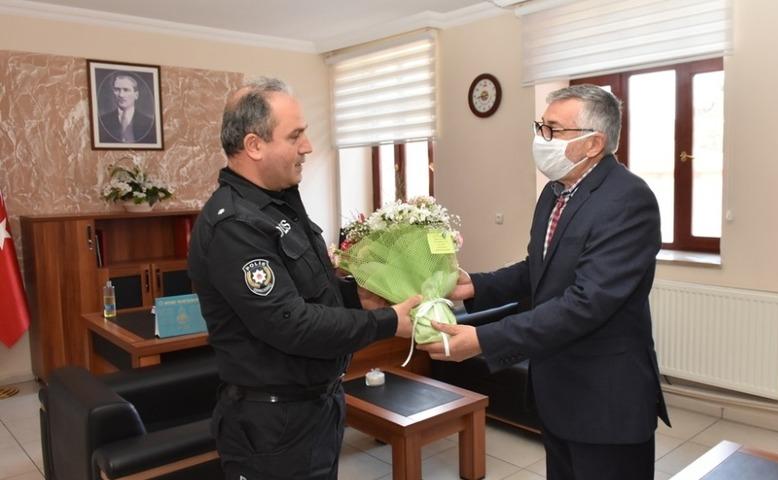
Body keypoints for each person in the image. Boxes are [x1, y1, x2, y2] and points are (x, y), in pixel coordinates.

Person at [420, 84, 671, 480]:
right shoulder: (556, 193)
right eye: (541, 127)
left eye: (554, 130)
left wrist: (484, 339)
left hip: (606, 402)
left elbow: (586, 303)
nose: (542, 139)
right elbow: (538, 268)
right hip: (558, 393)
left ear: (594, 144)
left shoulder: (628, 199)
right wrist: (475, 285)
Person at [187, 77, 420, 480]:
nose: (308, 147)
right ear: (254, 146)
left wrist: (356, 297)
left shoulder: (278, 206)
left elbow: (313, 290)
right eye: (295, 136)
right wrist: (387, 322)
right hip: (272, 426)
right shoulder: (235, 226)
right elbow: (290, 323)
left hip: (314, 409)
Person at [98, 73, 157, 144]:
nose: (121, 95)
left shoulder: (149, 123)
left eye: (126, 90)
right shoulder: (103, 121)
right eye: (117, 90)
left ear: (136, 95)